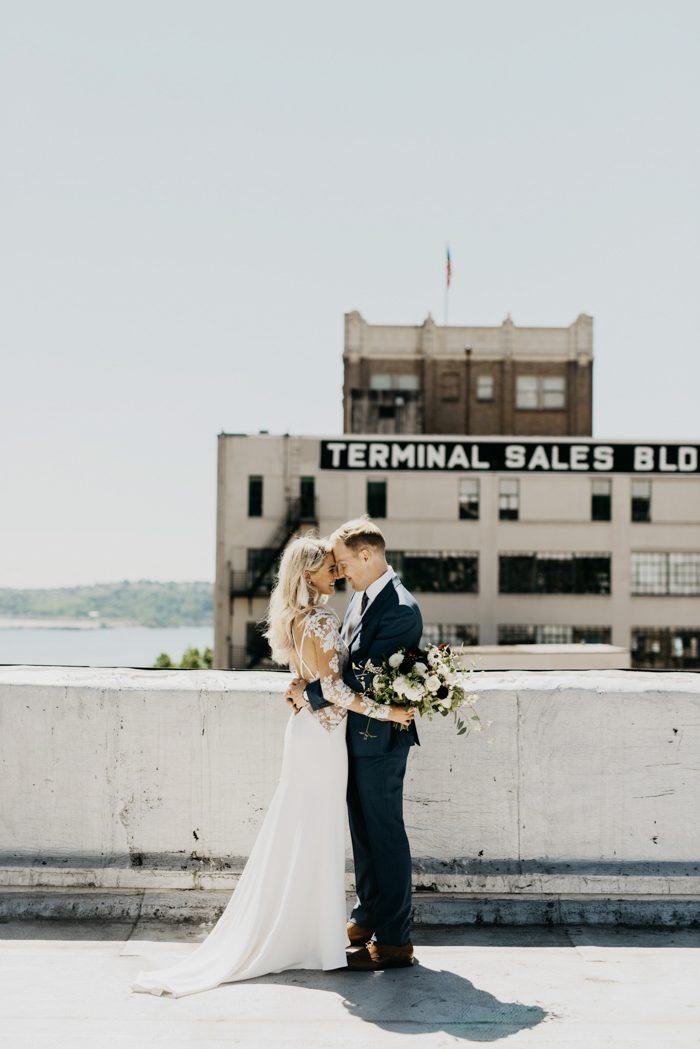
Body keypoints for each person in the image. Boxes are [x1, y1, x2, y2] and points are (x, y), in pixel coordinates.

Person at [131, 535, 413, 997]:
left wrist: (300, 686)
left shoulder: (296, 619)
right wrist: (392, 712)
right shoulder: (321, 619)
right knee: (316, 832)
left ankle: (308, 932)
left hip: (309, 732)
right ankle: (315, 940)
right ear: (308, 575)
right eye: (328, 566)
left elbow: (306, 677)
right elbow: (338, 690)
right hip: (322, 739)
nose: (336, 572)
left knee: (303, 831)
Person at [287, 517, 423, 971]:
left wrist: (308, 690)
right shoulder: (358, 600)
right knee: (363, 838)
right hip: (349, 739)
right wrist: (307, 680)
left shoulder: (400, 609)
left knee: (385, 836)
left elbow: (359, 678)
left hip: (380, 741)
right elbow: (337, 663)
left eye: (343, 562)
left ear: (367, 555)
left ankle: (395, 940)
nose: (339, 571)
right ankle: (366, 917)